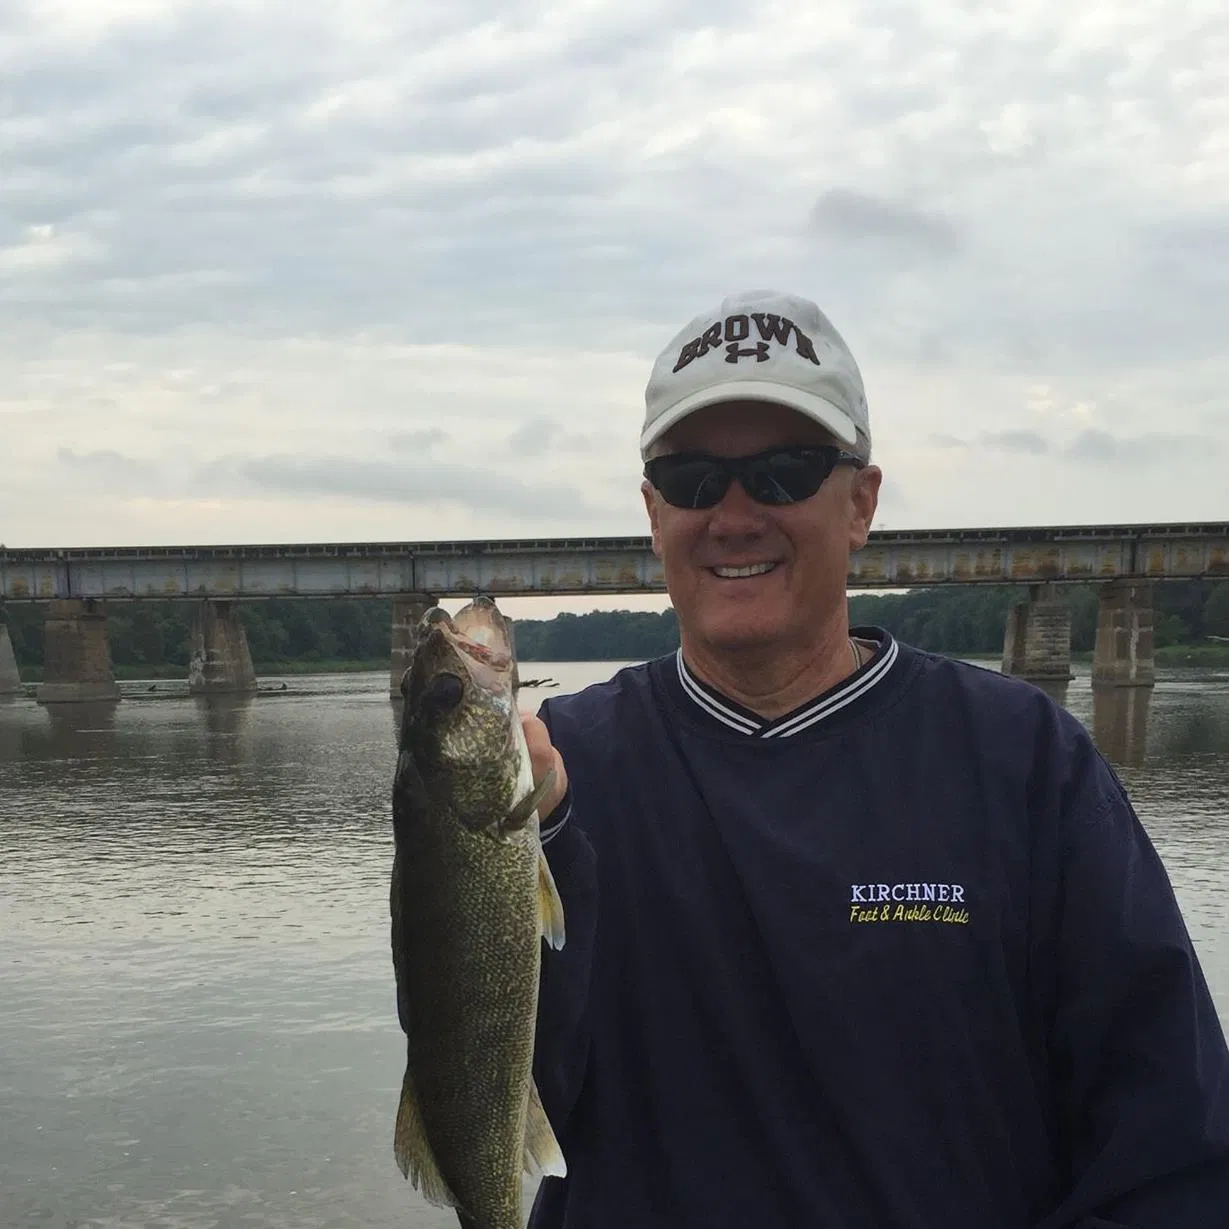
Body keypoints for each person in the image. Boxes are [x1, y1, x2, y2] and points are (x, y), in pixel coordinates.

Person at [518, 289, 1229, 1227]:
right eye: (692, 477)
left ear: (860, 502)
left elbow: (1170, 1147)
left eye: (784, 471)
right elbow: (485, 1100)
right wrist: (505, 841)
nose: (734, 513)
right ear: (654, 513)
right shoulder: (551, 777)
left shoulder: (1023, 759)